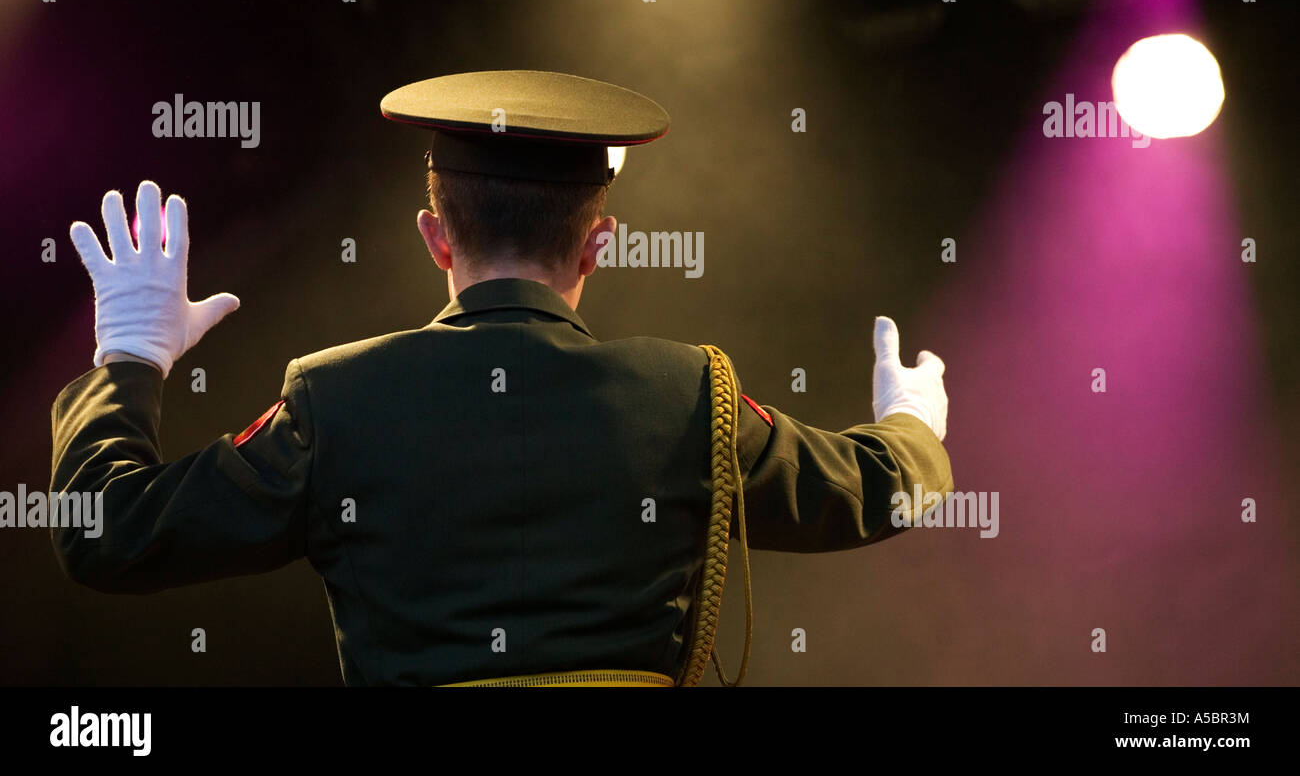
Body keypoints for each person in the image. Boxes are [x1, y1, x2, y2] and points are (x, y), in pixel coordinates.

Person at [50, 70, 953, 686]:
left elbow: (112, 536)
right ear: (600, 242)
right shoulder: (689, 395)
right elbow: (877, 490)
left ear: (434, 234)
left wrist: (130, 356)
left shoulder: (337, 398)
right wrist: (912, 425)